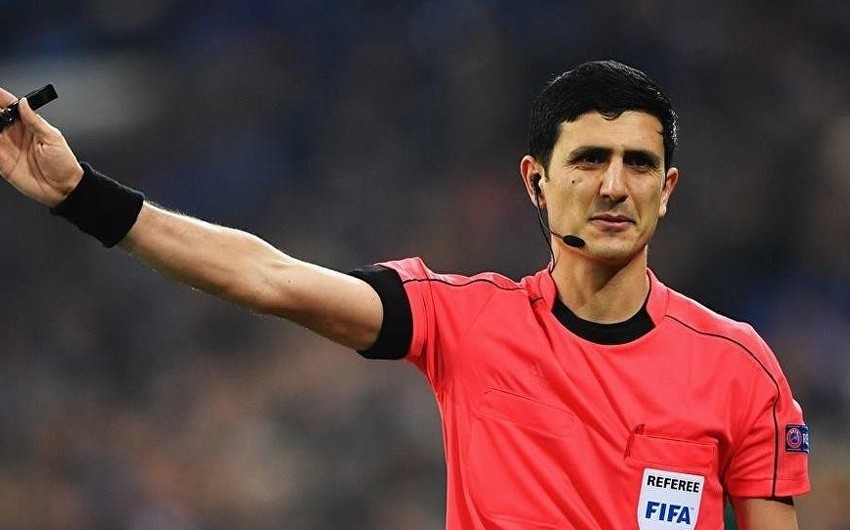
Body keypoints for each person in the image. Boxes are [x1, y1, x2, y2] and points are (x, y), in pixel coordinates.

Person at [0, 60, 809, 529]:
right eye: (589, 159)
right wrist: (81, 195)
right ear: (536, 181)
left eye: (639, 164)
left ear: (668, 189)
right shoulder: (464, 320)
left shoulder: (740, 369)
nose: (613, 186)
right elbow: (269, 277)